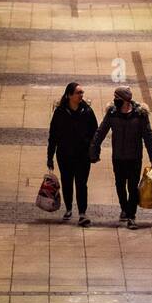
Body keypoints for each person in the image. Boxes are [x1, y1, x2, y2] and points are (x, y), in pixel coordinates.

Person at [91, 85, 152, 229]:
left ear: (126, 99)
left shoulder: (140, 115)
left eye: (117, 98)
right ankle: (124, 208)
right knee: (120, 185)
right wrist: (94, 148)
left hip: (134, 158)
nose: (115, 101)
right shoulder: (112, 114)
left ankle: (131, 216)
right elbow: (100, 132)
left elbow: (148, 136)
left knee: (133, 187)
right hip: (118, 157)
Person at [47, 82, 98, 226]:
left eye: (82, 92)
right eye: (78, 93)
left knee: (82, 184)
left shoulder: (87, 111)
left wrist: (92, 149)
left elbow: (96, 131)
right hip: (64, 155)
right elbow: (53, 136)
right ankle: (69, 208)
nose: (81, 95)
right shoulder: (60, 112)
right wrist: (50, 157)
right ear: (69, 95)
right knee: (67, 182)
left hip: (83, 155)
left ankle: (82, 212)